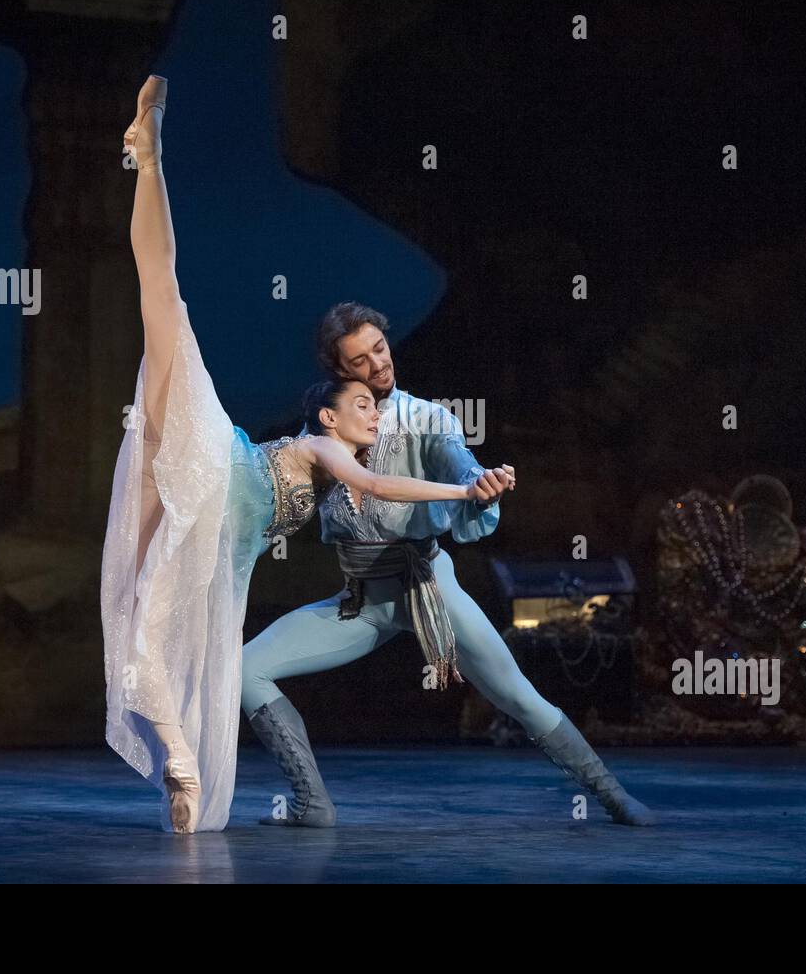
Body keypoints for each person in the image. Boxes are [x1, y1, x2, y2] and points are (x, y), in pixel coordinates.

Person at [100, 76, 508, 834]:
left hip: (222, 538)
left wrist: (465, 490)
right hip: (210, 462)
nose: (370, 410)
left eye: (373, 406)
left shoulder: (338, 466)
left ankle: (180, 767)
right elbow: (375, 475)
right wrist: (460, 495)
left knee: (144, 637)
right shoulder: (322, 443)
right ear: (325, 412)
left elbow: (380, 492)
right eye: (358, 401)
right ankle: (149, 160)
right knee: (164, 298)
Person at [240, 302, 657, 827]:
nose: (378, 364)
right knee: (246, 668)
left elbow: (461, 466)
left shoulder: (428, 419)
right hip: (363, 601)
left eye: (380, 348)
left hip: (430, 588)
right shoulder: (326, 435)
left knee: (518, 697)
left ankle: (613, 795)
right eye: (361, 361)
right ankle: (311, 803)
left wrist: (479, 488)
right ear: (340, 375)